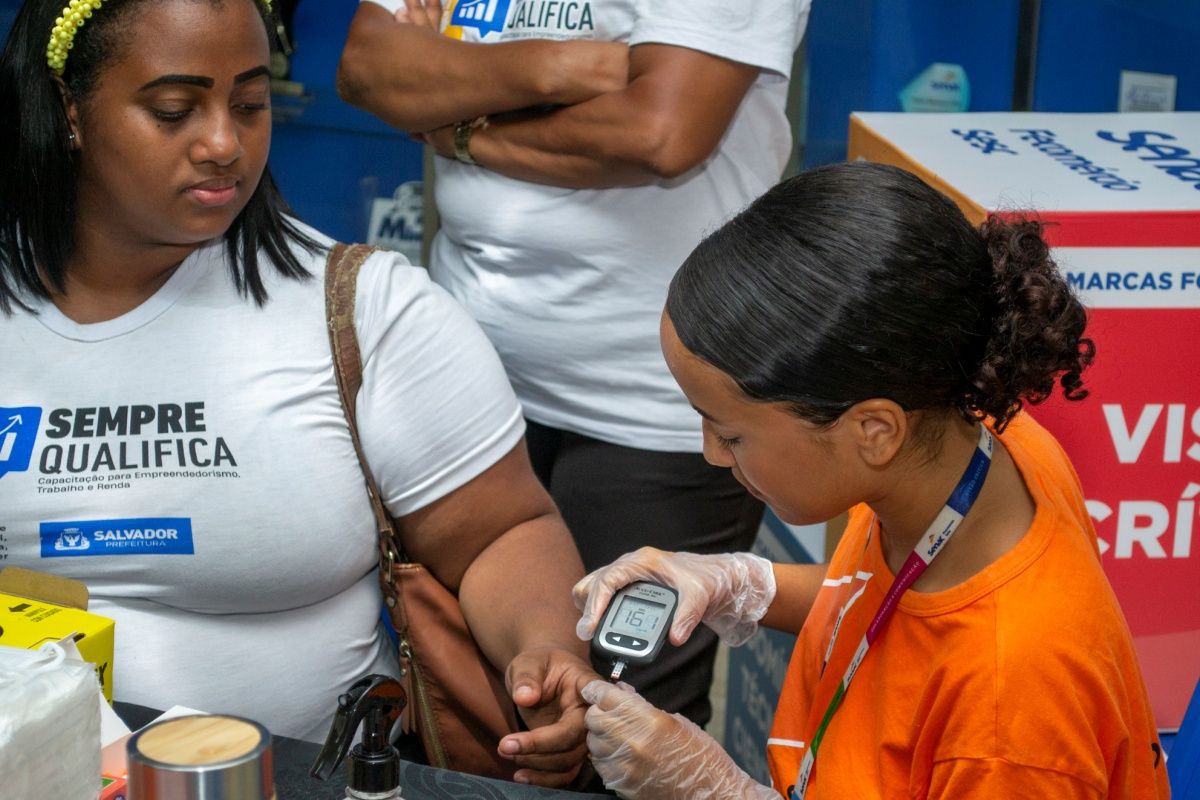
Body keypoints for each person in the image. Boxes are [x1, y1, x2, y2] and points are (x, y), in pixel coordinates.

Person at [0, 0, 597, 787]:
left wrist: (544, 644)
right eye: (175, 110)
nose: (224, 144)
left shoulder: (362, 311)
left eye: (250, 104)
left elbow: (499, 533)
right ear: (70, 110)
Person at [571, 162, 1172, 798]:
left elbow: (960, 655)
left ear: (873, 431)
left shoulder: (1010, 722)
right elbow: (893, 611)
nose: (714, 456)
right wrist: (741, 585)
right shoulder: (970, 452)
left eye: (732, 434)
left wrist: (716, 793)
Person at [337, 0, 811, 730]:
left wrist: (457, 120)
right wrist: (563, 64)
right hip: (467, 378)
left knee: (623, 726)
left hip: (652, 404)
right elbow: (368, 67)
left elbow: (660, 130)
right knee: (480, 704)